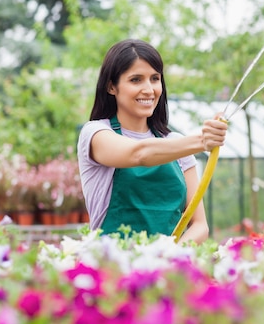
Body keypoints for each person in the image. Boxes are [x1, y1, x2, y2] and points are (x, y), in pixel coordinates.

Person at [77, 39, 228, 244]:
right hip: (112, 266)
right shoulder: (95, 133)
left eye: (155, 79)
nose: (149, 89)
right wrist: (203, 141)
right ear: (112, 86)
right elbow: (138, 154)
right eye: (136, 80)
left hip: (167, 269)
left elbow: (200, 225)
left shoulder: (175, 143)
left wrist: (170, 255)